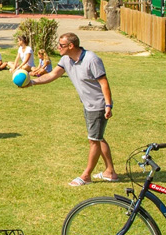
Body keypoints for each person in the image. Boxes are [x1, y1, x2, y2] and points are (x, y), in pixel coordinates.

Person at [30, 32, 116, 185]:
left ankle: (86, 176)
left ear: (71, 46)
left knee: (93, 140)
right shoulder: (66, 59)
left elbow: (104, 83)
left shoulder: (91, 59)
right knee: (98, 137)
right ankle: (110, 172)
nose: (58, 47)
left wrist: (108, 105)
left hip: (98, 105)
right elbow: (52, 75)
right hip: (88, 104)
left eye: (61, 45)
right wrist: (33, 82)